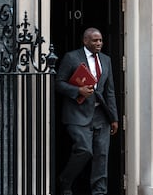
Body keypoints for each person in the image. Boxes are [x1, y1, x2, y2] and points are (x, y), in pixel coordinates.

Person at [55, 27, 119, 195]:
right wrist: (78, 91)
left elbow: (109, 91)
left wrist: (114, 118)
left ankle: (99, 192)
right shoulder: (71, 57)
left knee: (102, 155)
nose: (99, 43)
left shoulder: (106, 60)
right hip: (77, 113)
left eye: (100, 40)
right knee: (84, 150)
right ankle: (65, 181)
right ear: (85, 41)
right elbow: (58, 83)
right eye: (95, 40)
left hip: (101, 115)